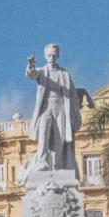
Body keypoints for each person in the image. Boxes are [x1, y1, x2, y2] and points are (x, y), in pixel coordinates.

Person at [19, 43, 82, 184]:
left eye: (54, 55)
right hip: (46, 108)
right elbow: (31, 74)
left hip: (61, 107)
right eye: (49, 55)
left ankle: (58, 164)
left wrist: (74, 113)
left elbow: (72, 94)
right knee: (43, 135)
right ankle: (42, 162)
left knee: (60, 137)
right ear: (45, 56)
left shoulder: (65, 74)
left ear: (58, 56)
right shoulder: (41, 71)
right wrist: (30, 66)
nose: (51, 57)